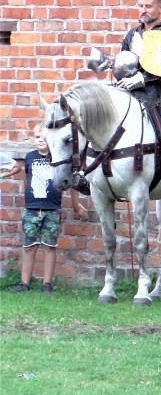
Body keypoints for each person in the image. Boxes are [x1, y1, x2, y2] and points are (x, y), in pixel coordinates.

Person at [112, 0, 161, 196]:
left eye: (148, 6)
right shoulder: (132, 35)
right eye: (140, 6)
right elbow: (122, 61)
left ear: (160, 8)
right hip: (132, 92)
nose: (143, 10)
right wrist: (120, 79)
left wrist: (142, 79)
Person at [11, 125, 86, 293]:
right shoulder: (29, 157)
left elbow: (72, 181)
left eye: (44, 137)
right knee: (29, 246)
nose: (41, 140)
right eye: (37, 136)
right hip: (31, 209)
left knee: (49, 247)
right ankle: (24, 283)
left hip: (52, 209)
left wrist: (75, 204)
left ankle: (47, 284)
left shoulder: (57, 158)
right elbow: (24, 176)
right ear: (33, 139)